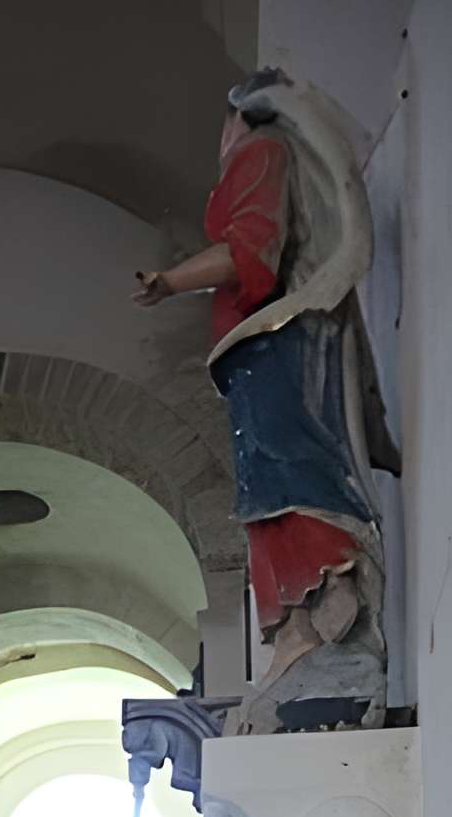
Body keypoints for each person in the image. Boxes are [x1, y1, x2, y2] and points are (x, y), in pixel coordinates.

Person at [134, 69, 398, 730]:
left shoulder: (262, 151)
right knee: (266, 489)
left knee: (292, 474)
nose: (220, 139)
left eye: (222, 125)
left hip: (277, 341)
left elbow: (255, 252)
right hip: (257, 350)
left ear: (238, 119)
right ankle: (300, 628)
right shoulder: (261, 152)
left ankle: (329, 622)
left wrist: (171, 279)